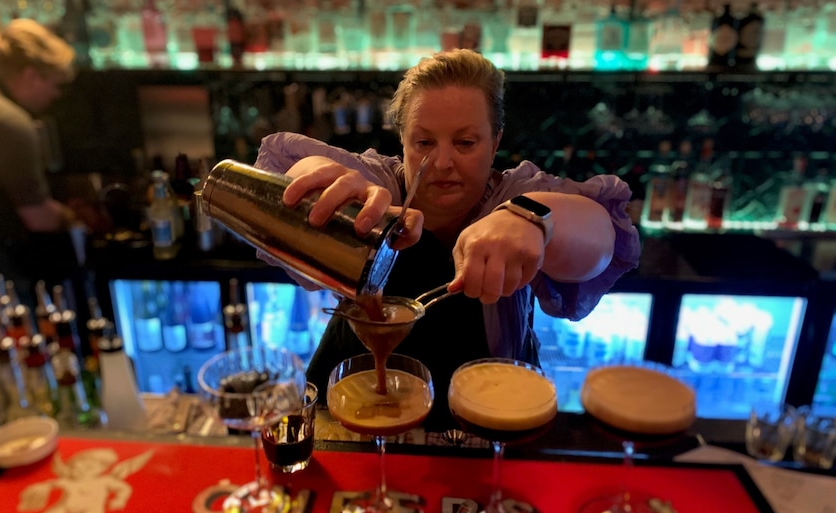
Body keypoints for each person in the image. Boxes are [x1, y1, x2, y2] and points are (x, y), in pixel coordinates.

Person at [255, 49, 641, 430]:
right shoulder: (378, 188)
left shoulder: (515, 193)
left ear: (495, 141)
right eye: (424, 143)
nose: (442, 163)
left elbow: (602, 238)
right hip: (346, 411)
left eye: (465, 143)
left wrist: (534, 217)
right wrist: (319, 185)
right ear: (403, 140)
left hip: (490, 412)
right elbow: (302, 169)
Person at [0, 19, 111, 301]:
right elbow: (38, 219)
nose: (55, 95)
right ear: (31, 75)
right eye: (55, 84)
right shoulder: (9, 123)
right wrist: (76, 217)